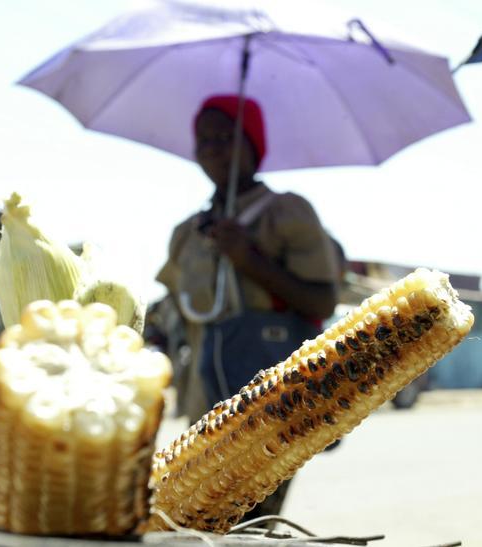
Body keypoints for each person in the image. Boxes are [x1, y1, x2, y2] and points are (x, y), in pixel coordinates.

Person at [156, 94, 340, 519]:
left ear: (253, 145)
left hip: (270, 402)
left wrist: (250, 259)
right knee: (200, 519)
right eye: (204, 140)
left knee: (248, 521)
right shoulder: (189, 232)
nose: (214, 148)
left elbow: (322, 298)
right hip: (204, 400)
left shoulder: (286, 213)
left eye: (227, 136)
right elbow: (172, 309)